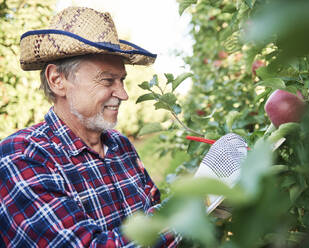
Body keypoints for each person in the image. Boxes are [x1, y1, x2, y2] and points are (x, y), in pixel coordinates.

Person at [0, 6, 181, 247]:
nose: (124, 94)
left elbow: (154, 209)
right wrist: (186, 212)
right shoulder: (23, 156)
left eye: (122, 80)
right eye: (107, 80)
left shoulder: (121, 146)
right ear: (57, 80)